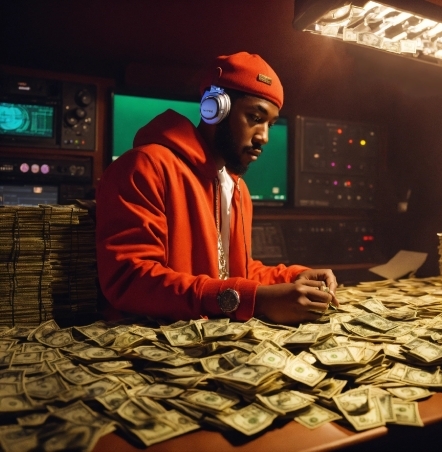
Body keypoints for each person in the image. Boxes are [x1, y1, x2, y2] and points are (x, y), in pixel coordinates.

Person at [95, 51, 338, 325]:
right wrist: (255, 300)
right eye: (255, 118)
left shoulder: (237, 188)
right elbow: (130, 280)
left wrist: (294, 278)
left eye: (270, 124)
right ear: (214, 108)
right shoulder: (145, 166)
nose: (264, 138)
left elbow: (232, 273)